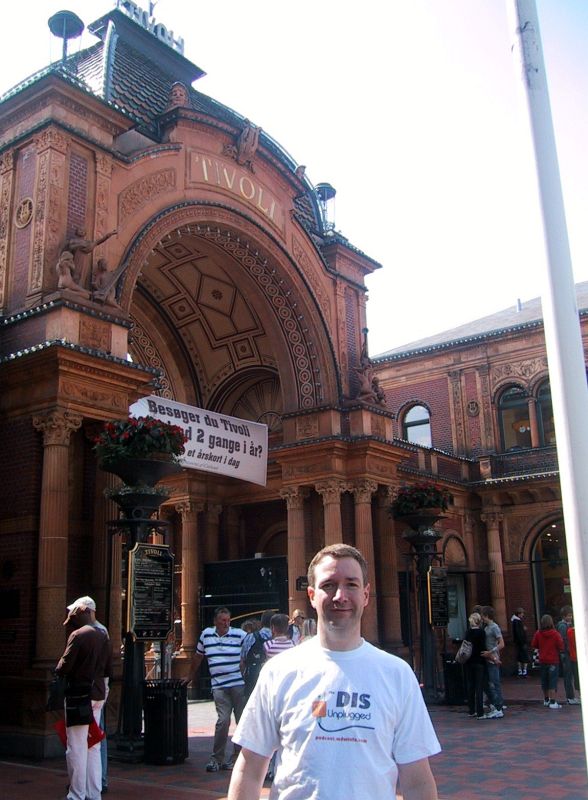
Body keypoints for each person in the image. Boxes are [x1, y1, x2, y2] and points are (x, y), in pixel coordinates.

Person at [228, 543, 440, 799]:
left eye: (351, 584)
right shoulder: (278, 671)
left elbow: (416, 778)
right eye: (328, 585)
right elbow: (250, 767)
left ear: (366, 594)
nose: (340, 595)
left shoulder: (397, 674)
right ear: (311, 595)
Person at [55, 597, 112, 800]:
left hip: (79, 696)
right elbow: (108, 668)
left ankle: (77, 794)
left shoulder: (78, 635)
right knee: (93, 745)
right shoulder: (103, 634)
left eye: (74, 616)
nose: (72, 620)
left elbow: (64, 666)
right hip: (97, 694)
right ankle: (93, 793)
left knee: (76, 747)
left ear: (84, 612)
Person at [191, 606, 246, 772]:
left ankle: (237, 758)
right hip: (219, 685)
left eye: (228, 620)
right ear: (215, 621)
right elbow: (198, 656)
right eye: (223, 620)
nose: (226, 624)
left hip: (238, 684)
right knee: (223, 721)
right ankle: (217, 758)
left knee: (241, 720)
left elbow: (251, 649)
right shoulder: (206, 634)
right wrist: (189, 676)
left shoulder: (239, 634)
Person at [531, 614, 564, 709]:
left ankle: (546, 700)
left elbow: (534, 644)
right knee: (553, 681)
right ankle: (553, 701)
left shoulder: (538, 633)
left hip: (543, 660)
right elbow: (561, 646)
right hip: (553, 660)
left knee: (544, 680)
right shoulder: (555, 634)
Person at [241, 610, 273, 699]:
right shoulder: (277, 639)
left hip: (253, 675)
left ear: (262, 622)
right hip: (272, 677)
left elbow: (242, 660)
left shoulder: (251, 637)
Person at [480, 606, 505, 719]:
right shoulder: (486, 627)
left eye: (483, 616)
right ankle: (495, 705)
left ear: (486, 615)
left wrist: (491, 652)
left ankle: (499, 707)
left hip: (492, 657)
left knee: (495, 683)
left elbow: (501, 644)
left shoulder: (494, 627)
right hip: (488, 657)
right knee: (491, 683)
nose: (482, 618)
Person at [462, 612, 486, 719]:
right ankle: (480, 712)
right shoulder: (481, 632)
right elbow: (483, 647)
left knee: (470, 686)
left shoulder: (468, 632)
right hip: (479, 661)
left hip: (468, 661)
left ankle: (471, 710)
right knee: (479, 687)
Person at [556, 606, 581, 705]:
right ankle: (570, 697)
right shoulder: (563, 626)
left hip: (569, 653)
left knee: (571, 675)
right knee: (568, 675)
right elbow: (564, 640)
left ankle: (572, 696)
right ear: (564, 616)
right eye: (568, 615)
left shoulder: (568, 625)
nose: (570, 617)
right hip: (567, 654)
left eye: (571, 615)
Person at [511, 607, 529, 677]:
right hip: (521, 643)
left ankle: (520, 671)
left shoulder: (515, 621)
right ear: (519, 614)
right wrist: (524, 630)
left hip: (518, 643)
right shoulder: (517, 622)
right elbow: (519, 633)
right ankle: (524, 671)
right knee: (524, 657)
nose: (523, 615)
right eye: (522, 613)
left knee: (519, 657)